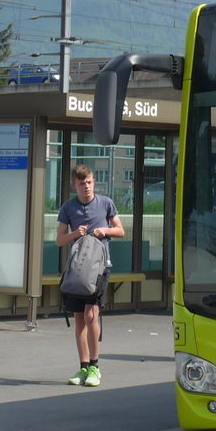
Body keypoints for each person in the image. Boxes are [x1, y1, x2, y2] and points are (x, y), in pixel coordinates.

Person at [56, 164, 124, 386]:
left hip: (100, 267)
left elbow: (121, 230)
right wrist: (74, 234)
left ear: (94, 182)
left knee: (91, 315)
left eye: (90, 182)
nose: (86, 186)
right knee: (79, 319)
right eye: (82, 183)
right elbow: (59, 240)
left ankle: (95, 366)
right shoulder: (68, 208)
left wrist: (106, 231)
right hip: (78, 269)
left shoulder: (105, 203)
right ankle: (83, 368)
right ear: (74, 185)